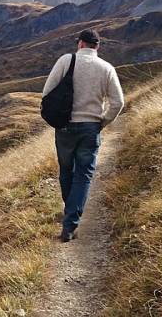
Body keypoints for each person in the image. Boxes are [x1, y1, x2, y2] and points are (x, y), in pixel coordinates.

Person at [42, 29, 124, 242]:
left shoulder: (65, 61)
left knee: (66, 171)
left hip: (65, 127)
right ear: (97, 46)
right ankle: (70, 222)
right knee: (84, 174)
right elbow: (118, 102)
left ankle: (69, 215)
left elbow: (47, 93)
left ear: (80, 44)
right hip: (90, 128)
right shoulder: (106, 68)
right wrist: (102, 122)